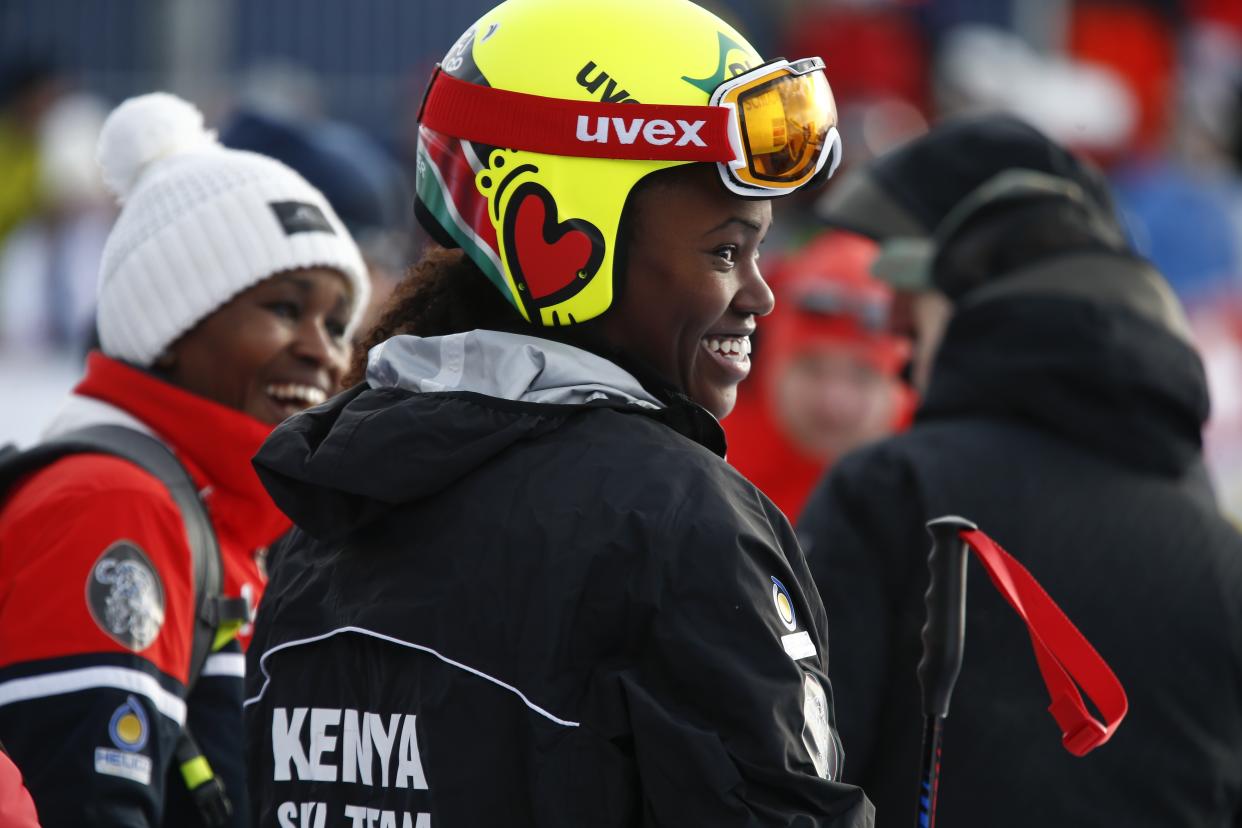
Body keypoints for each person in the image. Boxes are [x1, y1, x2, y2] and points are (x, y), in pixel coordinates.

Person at [243, 1, 873, 825]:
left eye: (760, 250)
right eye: (726, 249)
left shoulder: (319, 517)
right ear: (565, 238)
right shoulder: (680, 523)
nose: (760, 294)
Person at [800, 114, 1242, 826]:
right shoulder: (1222, 552)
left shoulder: (891, 490)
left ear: (977, 292)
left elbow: (789, 779)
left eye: (913, 306)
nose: (902, 346)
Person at [0, 92, 370, 827]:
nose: (322, 351)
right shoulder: (112, 504)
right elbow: (87, 803)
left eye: (336, 323)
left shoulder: (225, 516)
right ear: (171, 322)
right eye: (285, 308)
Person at [724, 231, 914, 520]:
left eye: (863, 375)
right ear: (764, 361)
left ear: (902, 385)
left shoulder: (931, 475)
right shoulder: (709, 448)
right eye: (811, 367)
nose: (833, 402)